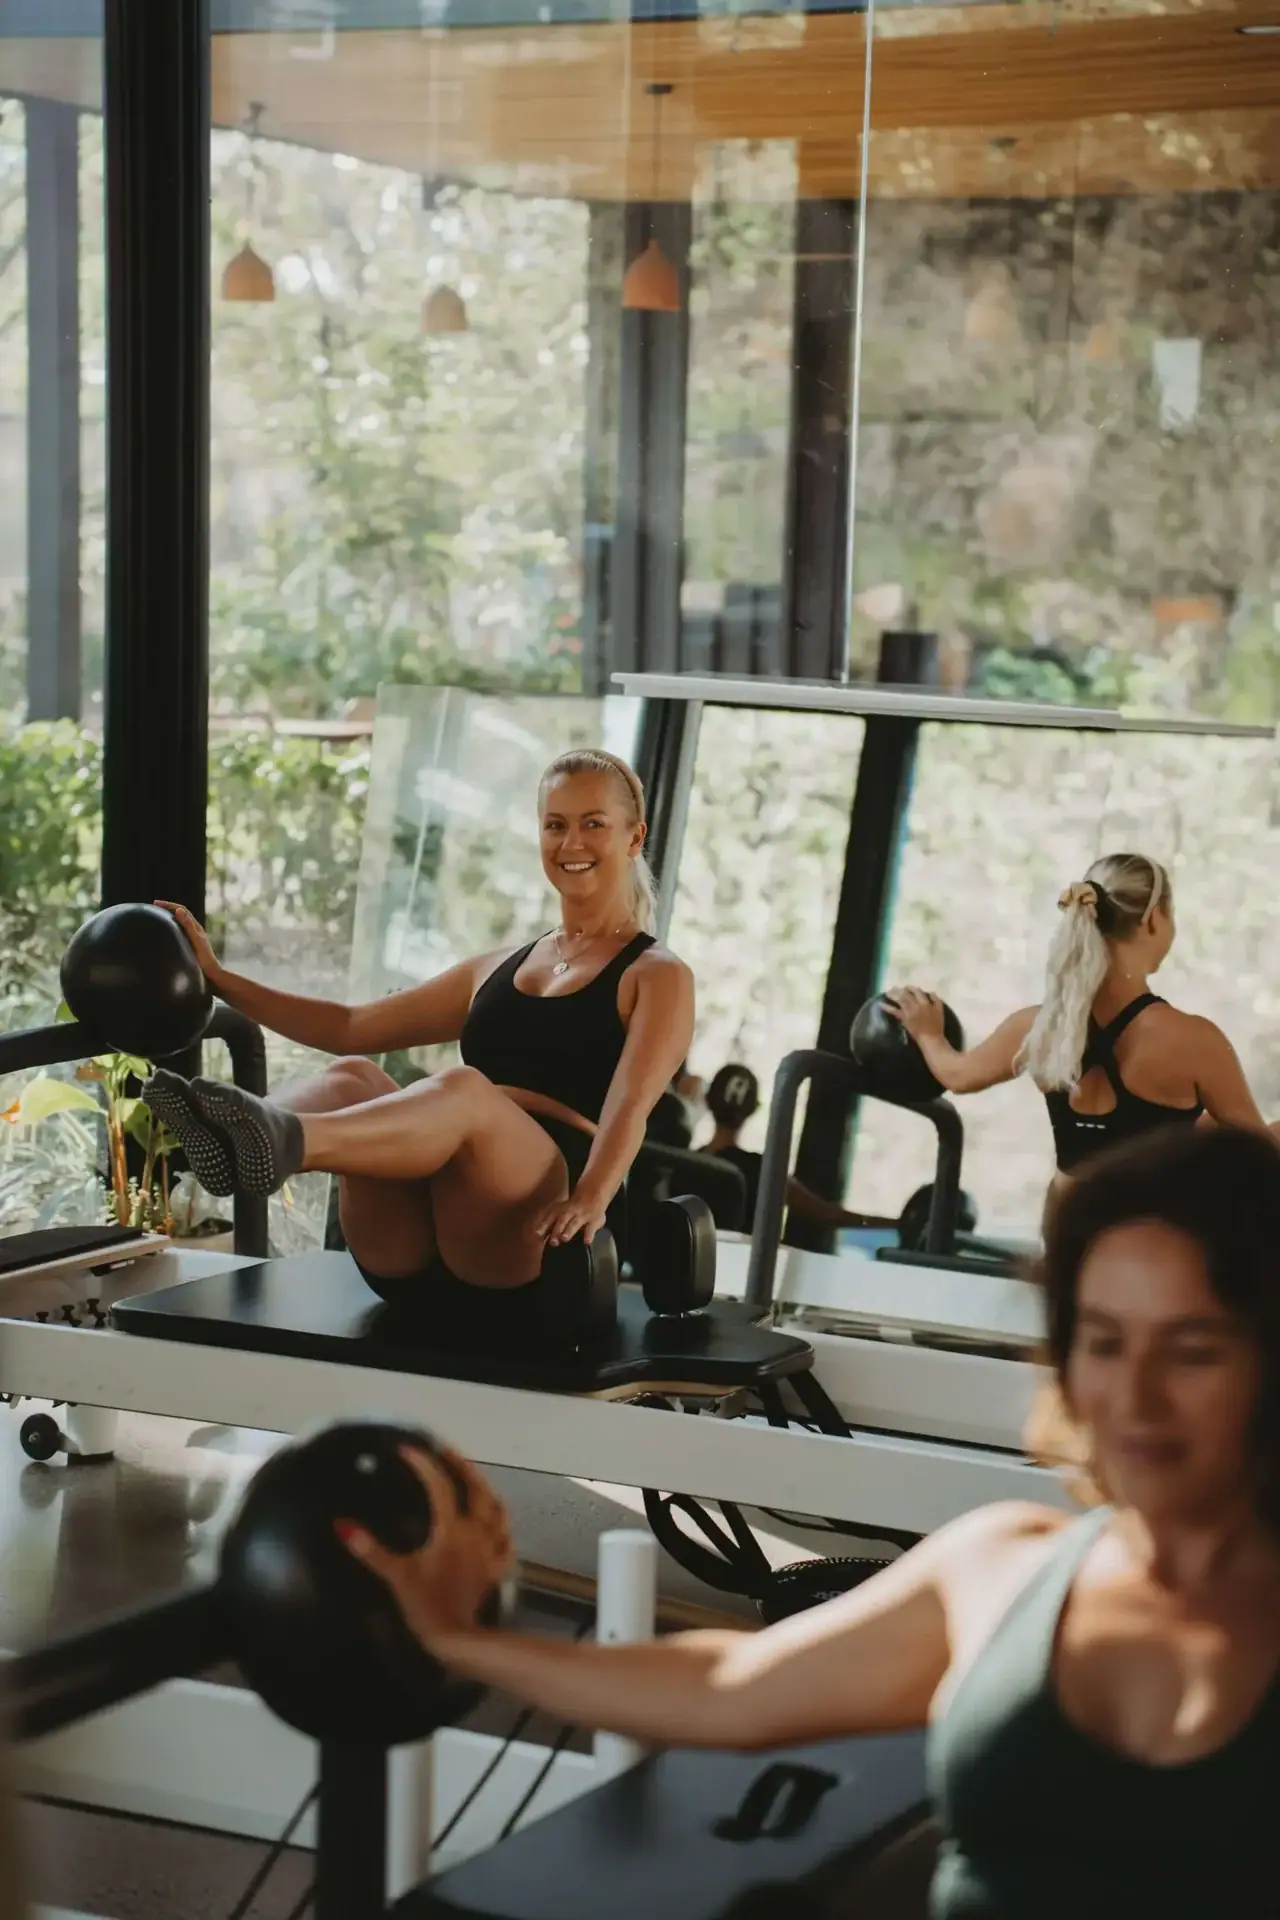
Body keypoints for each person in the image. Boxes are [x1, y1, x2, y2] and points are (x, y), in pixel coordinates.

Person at [341, 1123, 1280, 1917]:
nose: (1136, 1397)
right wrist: (462, 1641)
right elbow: (733, 1685)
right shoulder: (1002, 1564)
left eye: (1193, 1350)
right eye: (1105, 1343)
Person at [143, 749, 694, 1337]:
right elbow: (350, 1026)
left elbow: (630, 1107)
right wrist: (222, 979)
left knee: (464, 1088)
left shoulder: (656, 973)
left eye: (593, 824)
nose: (570, 843)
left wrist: (591, 1199)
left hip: (528, 1237)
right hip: (412, 1248)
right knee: (353, 1074)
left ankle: (285, 1140)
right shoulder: (499, 965)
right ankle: (236, 1138)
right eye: (555, 825)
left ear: (634, 838)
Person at [883, 852, 1280, 1195]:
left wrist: (927, 1033)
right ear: (1155, 921)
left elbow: (957, 1076)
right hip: (1143, 1240)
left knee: (1204, 1129)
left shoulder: (1038, 1027)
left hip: (1068, 1233)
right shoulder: (1193, 1040)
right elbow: (1260, 1149)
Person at [699, 1062, 887, 1234]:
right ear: (753, 1109)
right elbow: (828, 1214)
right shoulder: (762, 1171)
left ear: (707, 1100)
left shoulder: (684, 1162)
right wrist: (892, 1225)